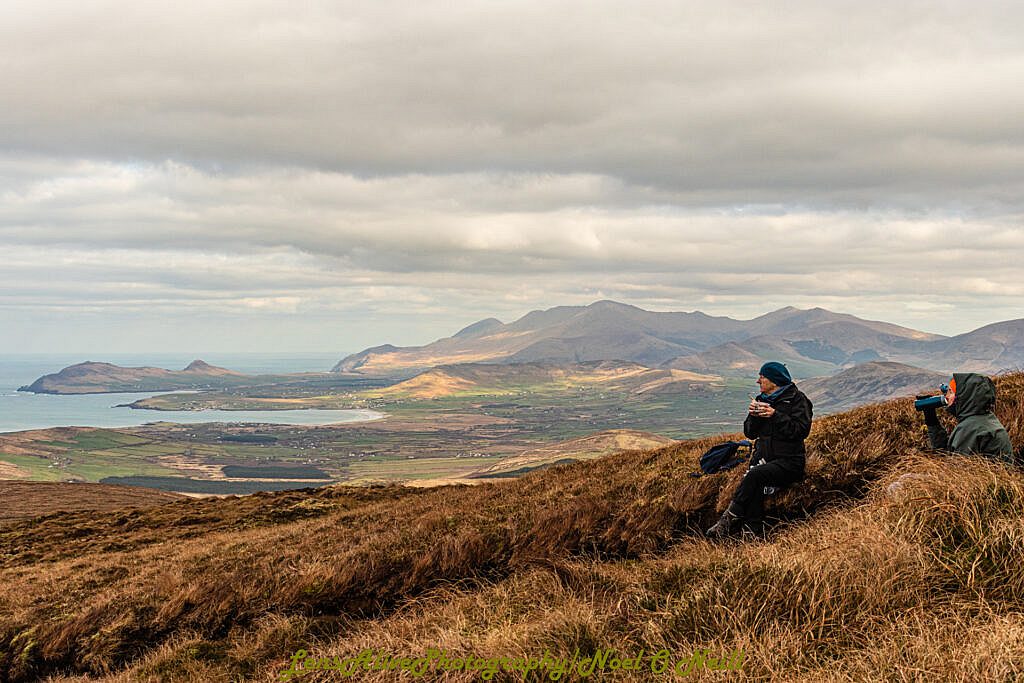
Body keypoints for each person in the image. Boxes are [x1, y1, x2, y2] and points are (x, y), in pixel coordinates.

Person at [707, 361, 813, 539]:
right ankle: (752, 532)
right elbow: (750, 433)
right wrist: (754, 416)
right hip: (764, 459)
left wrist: (775, 415)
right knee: (755, 483)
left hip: (790, 462)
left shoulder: (797, 400)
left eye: (762, 377)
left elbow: (801, 431)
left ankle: (728, 520)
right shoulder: (762, 400)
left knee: (754, 476)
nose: (758, 381)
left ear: (774, 380)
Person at [922, 372, 1013, 463]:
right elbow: (947, 452)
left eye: (951, 392)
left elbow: (955, 470)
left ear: (962, 397)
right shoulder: (984, 419)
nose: (946, 396)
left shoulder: (971, 428)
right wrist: (931, 418)